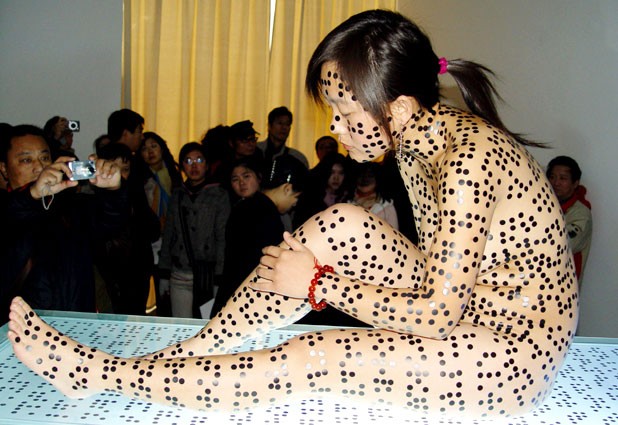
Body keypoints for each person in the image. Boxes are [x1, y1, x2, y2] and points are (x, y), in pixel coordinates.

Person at [7, 10, 578, 417]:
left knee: (313, 356)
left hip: (512, 351)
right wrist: (317, 274)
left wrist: (318, 284)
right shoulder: (414, 141)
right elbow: (444, 279)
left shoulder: (464, 160)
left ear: (399, 107)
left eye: (343, 112)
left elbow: (435, 314)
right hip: (466, 301)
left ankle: (101, 375)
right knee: (339, 223)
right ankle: (191, 351)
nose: (334, 127)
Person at [1, 124, 127, 323]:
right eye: (26, 160)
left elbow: (111, 223)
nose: (39, 167)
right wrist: (32, 195)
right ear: (4, 169)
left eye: (44, 158)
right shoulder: (8, 210)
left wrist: (113, 190)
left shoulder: (68, 207)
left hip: (76, 327)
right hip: (19, 331)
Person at [211, 156, 307, 317]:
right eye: (296, 197)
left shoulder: (244, 206)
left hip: (230, 297)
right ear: (287, 188)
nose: (295, 203)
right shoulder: (268, 215)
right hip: (248, 303)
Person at [158, 142, 230, 318]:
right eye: (188, 161)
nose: (194, 166)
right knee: (181, 326)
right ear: (182, 166)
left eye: (199, 160)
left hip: (207, 274)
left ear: (207, 164)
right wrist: (164, 273)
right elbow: (169, 235)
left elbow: (222, 238)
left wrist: (220, 277)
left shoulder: (219, 194)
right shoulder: (178, 194)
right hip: (180, 271)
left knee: (207, 325)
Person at [94, 143, 160, 315]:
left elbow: (153, 230)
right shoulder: (92, 198)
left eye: (125, 169)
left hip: (137, 272)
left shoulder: (136, 193)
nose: (121, 175)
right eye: (114, 168)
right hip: (107, 276)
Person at [547, 156, 592, 283]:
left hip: (563, 285)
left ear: (575, 183)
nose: (556, 183)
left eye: (563, 178)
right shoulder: (543, 204)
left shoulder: (581, 213)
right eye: (552, 177)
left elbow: (562, 245)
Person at [293, 152, 353, 228]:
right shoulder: (311, 197)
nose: (336, 178)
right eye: (332, 172)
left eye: (341, 173)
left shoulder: (349, 197)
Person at [349, 161, 398, 230]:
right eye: (361, 175)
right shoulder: (346, 203)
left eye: (370, 176)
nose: (365, 179)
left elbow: (394, 233)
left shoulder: (386, 206)